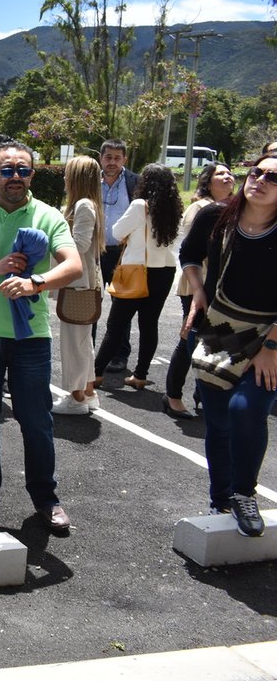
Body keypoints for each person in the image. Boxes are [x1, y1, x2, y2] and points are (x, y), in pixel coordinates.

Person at [0, 140, 82, 534]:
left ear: (32, 173)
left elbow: (74, 265)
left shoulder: (47, 216)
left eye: (23, 170)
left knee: (36, 421)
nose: (15, 177)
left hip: (31, 339)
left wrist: (35, 282)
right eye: (6, 170)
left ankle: (46, 498)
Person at [180, 150, 277, 537]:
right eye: (257, 172)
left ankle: (243, 493)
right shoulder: (216, 215)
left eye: (273, 177)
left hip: (269, 335)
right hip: (218, 327)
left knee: (246, 409)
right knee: (218, 422)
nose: (260, 180)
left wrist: (271, 348)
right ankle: (220, 499)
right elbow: (189, 254)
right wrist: (199, 291)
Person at [93, 164, 182, 391]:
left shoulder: (140, 205)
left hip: (136, 270)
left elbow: (116, 232)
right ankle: (140, 375)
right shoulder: (174, 208)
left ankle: (96, 373)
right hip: (164, 271)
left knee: (116, 325)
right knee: (149, 324)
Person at [165, 161, 235, 418]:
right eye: (220, 174)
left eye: (229, 173)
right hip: (197, 285)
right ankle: (173, 394)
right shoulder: (201, 209)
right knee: (189, 338)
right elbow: (193, 249)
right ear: (207, 181)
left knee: (215, 341)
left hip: (220, 287)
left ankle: (202, 395)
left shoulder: (238, 208)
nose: (227, 177)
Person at [51, 155, 105, 415]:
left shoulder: (83, 205)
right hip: (83, 285)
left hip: (78, 285)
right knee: (84, 343)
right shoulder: (89, 204)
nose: (64, 178)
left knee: (74, 345)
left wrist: (54, 236)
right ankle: (89, 392)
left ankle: (76, 398)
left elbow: (79, 244)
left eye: (67, 173)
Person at [97, 139, 139, 371]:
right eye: (108, 157)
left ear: (125, 159)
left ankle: (119, 354)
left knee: (121, 307)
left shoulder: (135, 182)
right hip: (95, 252)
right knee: (90, 302)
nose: (112, 162)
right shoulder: (91, 181)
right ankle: (90, 350)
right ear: (101, 158)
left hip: (123, 255)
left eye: (117, 157)